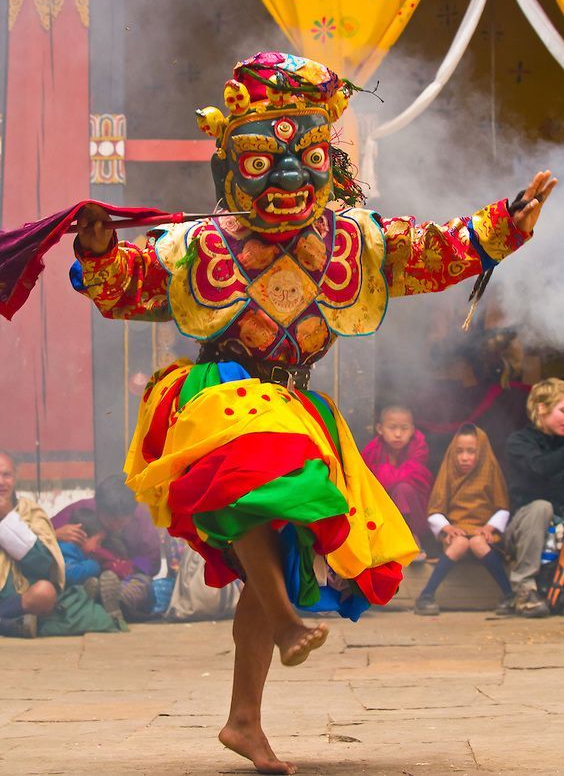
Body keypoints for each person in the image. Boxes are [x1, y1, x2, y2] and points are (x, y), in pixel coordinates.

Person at [69, 52, 556, 774]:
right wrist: (103, 252)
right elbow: (127, 285)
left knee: (277, 548)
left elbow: (437, 250)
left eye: (308, 158)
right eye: (263, 161)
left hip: (294, 405)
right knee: (257, 468)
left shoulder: (352, 239)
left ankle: (243, 719)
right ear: (230, 168)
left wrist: (503, 225)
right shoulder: (202, 243)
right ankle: (289, 624)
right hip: (221, 396)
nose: (290, 177)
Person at [414, 424, 513, 616]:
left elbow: (502, 508)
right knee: (460, 542)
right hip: (456, 531)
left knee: (476, 542)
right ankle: (426, 596)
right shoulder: (449, 471)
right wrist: (447, 528)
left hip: (484, 533)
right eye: (459, 451)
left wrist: (489, 527)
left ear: (481, 453)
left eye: (471, 452)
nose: (464, 457)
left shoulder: (489, 470)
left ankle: (510, 595)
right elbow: (435, 510)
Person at [52, 475, 160, 621]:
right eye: (109, 519)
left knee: (142, 585)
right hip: (87, 579)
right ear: (98, 507)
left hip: (126, 579)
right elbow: (36, 539)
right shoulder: (81, 511)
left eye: (121, 521)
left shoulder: (142, 521)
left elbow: (153, 562)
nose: (115, 525)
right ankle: (101, 600)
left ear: (133, 512)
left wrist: (127, 567)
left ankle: (115, 599)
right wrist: (54, 534)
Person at [505, 378, 564, 618]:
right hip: (523, 530)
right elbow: (539, 468)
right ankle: (524, 590)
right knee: (541, 507)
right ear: (541, 408)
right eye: (563, 410)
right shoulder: (519, 442)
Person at [0, 451, 64, 637]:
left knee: (45, 592)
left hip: (19, 599)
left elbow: (44, 564)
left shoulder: (30, 511)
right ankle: (9, 625)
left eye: (6, 475)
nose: (1, 482)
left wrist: (7, 518)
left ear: (15, 477)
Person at [362, 404, 433, 557]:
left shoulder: (419, 447)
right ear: (379, 429)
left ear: (412, 430)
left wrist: (386, 475)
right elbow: (371, 484)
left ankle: (411, 539)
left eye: (404, 428)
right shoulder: (372, 451)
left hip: (416, 515)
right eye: (392, 427)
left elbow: (419, 479)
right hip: (383, 514)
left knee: (402, 489)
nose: (398, 434)